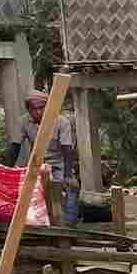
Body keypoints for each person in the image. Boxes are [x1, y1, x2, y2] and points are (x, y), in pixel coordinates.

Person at [19, 86, 80, 222]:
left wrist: (68, 175)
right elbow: (14, 147)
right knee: (30, 193)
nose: (38, 112)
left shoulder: (61, 121)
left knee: (70, 188)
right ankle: (41, 224)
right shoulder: (24, 122)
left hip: (60, 163)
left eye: (41, 108)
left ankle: (69, 226)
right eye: (34, 109)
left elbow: (67, 150)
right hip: (37, 164)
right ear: (28, 110)